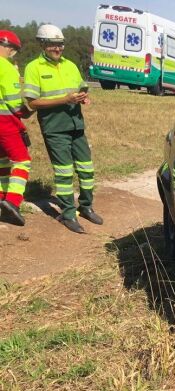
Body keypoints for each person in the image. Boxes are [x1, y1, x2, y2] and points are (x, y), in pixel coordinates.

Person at [23, 24, 101, 234]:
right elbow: (32, 103)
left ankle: (86, 207)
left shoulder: (71, 66)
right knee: (64, 172)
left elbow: (81, 88)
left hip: (76, 125)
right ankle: (67, 214)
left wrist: (84, 98)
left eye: (60, 45)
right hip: (55, 128)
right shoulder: (33, 68)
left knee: (87, 169)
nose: (57, 49)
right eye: (52, 45)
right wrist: (64, 99)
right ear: (42, 44)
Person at [0, 29, 32, 226]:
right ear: (8, 48)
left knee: (2, 162)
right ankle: (12, 202)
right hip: (5, 122)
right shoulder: (7, 67)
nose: (14, 54)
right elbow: (13, 101)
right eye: (14, 51)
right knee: (22, 161)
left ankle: (2, 197)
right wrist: (26, 111)